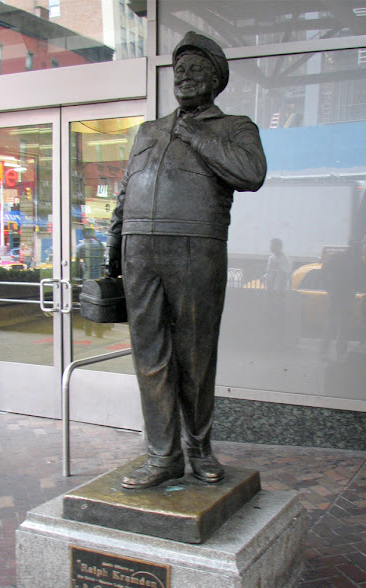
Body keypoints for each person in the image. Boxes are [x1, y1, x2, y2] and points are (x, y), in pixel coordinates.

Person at [105, 31, 267, 489]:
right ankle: (162, 456)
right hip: (139, 249)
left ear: (216, 79)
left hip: (197, 246)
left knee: (196, 357)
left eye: (196, 69)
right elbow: (126, 188)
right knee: (150, 357)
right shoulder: (148, 130)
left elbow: (251, 174)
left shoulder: (235, 127)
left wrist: (194, 132)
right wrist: (113, 244)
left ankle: (199, 449)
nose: (185, 76)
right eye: (179, 70)